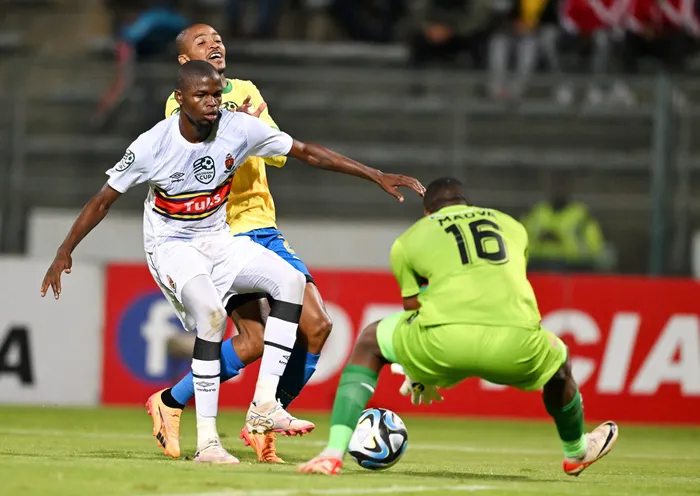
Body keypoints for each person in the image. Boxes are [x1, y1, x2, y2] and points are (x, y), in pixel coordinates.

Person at [41, 60, 424, 464]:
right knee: (211, 315)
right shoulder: (152, 145)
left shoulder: (238, 127)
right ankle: (208, 443)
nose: (211, 103)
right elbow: (103, 200)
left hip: (218, 238)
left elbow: (307, 153)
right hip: (171, 246)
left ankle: (264, 405)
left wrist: (374, 174)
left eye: (216, 94)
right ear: (180, 98)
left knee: (290, 281)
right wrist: (65, 250)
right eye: (201, 95)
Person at [149, 23, 422, 464]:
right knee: (283, 331)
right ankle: (224, 411)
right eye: (202, 42)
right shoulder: (178, 101)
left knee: (290, 332)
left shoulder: (246, 90)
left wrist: (248, 125)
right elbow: (196, 154)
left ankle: (202, 406)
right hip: (221, 232)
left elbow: (276, 153)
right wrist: (235, 125)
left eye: (217, 39)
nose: (214, 44)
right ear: (184, 64)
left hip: (261, 223)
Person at [297, 177, 618, 476]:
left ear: (427, 212)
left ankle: (332, 453)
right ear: (468, 205)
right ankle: (576, 451)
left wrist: (419, 368)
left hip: (443, 343)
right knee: (559, 362)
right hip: (516, 342)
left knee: (370, 341)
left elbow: (413, 307)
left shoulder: (410, 239)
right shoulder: (514, 226)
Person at [521, 172, 606, 272]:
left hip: (572, 270)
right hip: (537, 268)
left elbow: (595, 250)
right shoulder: (537, 212)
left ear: (569, 188)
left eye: (562, 186)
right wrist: (541, 238)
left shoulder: (582, 216)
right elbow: (521, 241)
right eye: (556, 186)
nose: (559, 190)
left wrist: (562, 241)